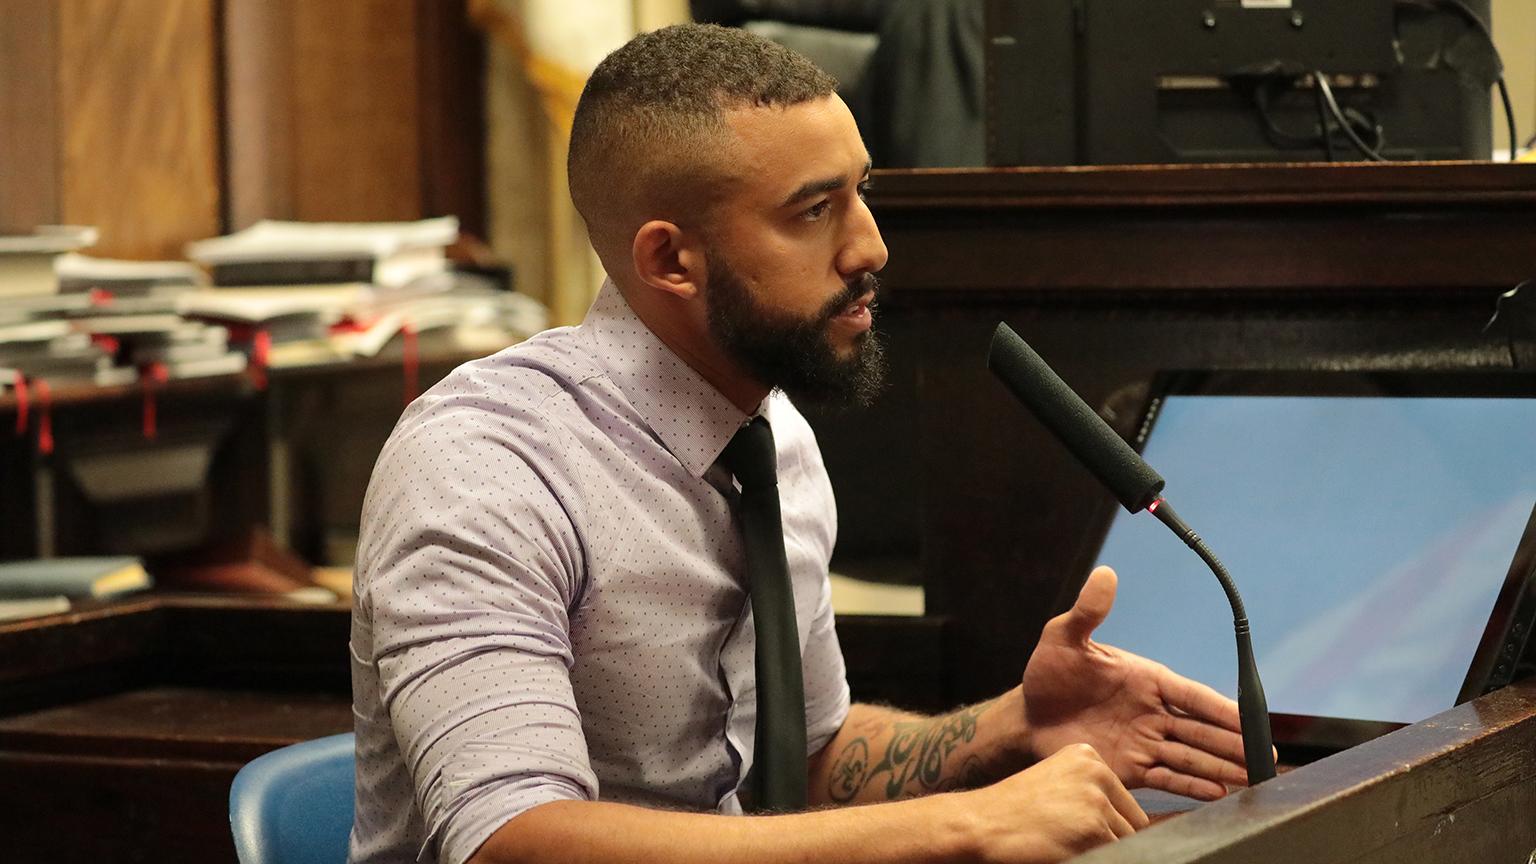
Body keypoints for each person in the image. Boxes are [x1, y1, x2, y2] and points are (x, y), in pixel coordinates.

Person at [349, 23, 1252, 864]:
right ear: (670, 260)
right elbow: (510, 838)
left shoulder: (771, 436)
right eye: (814, 210)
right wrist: (967, 822)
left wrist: (1015, 726)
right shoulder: (482, 467)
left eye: (863, 193)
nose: (872, 247)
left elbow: (808, 756)